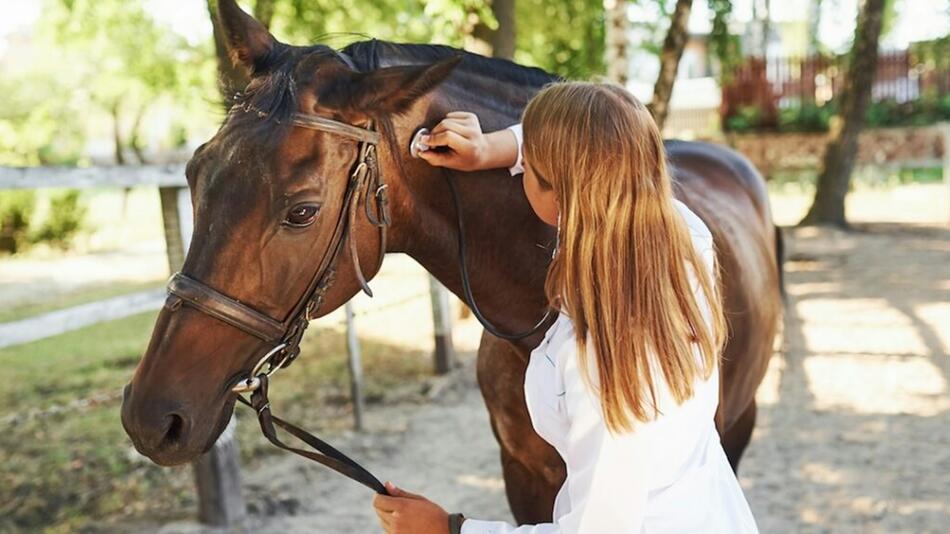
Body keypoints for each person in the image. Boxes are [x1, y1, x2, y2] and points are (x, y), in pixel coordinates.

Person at [371, 82, 759, 534]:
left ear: (559, 193)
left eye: (529, 165)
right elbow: (602, 139)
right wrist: (491, 149)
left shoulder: (603, 361)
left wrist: (451, 529)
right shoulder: (684, 234)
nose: (521, 169)